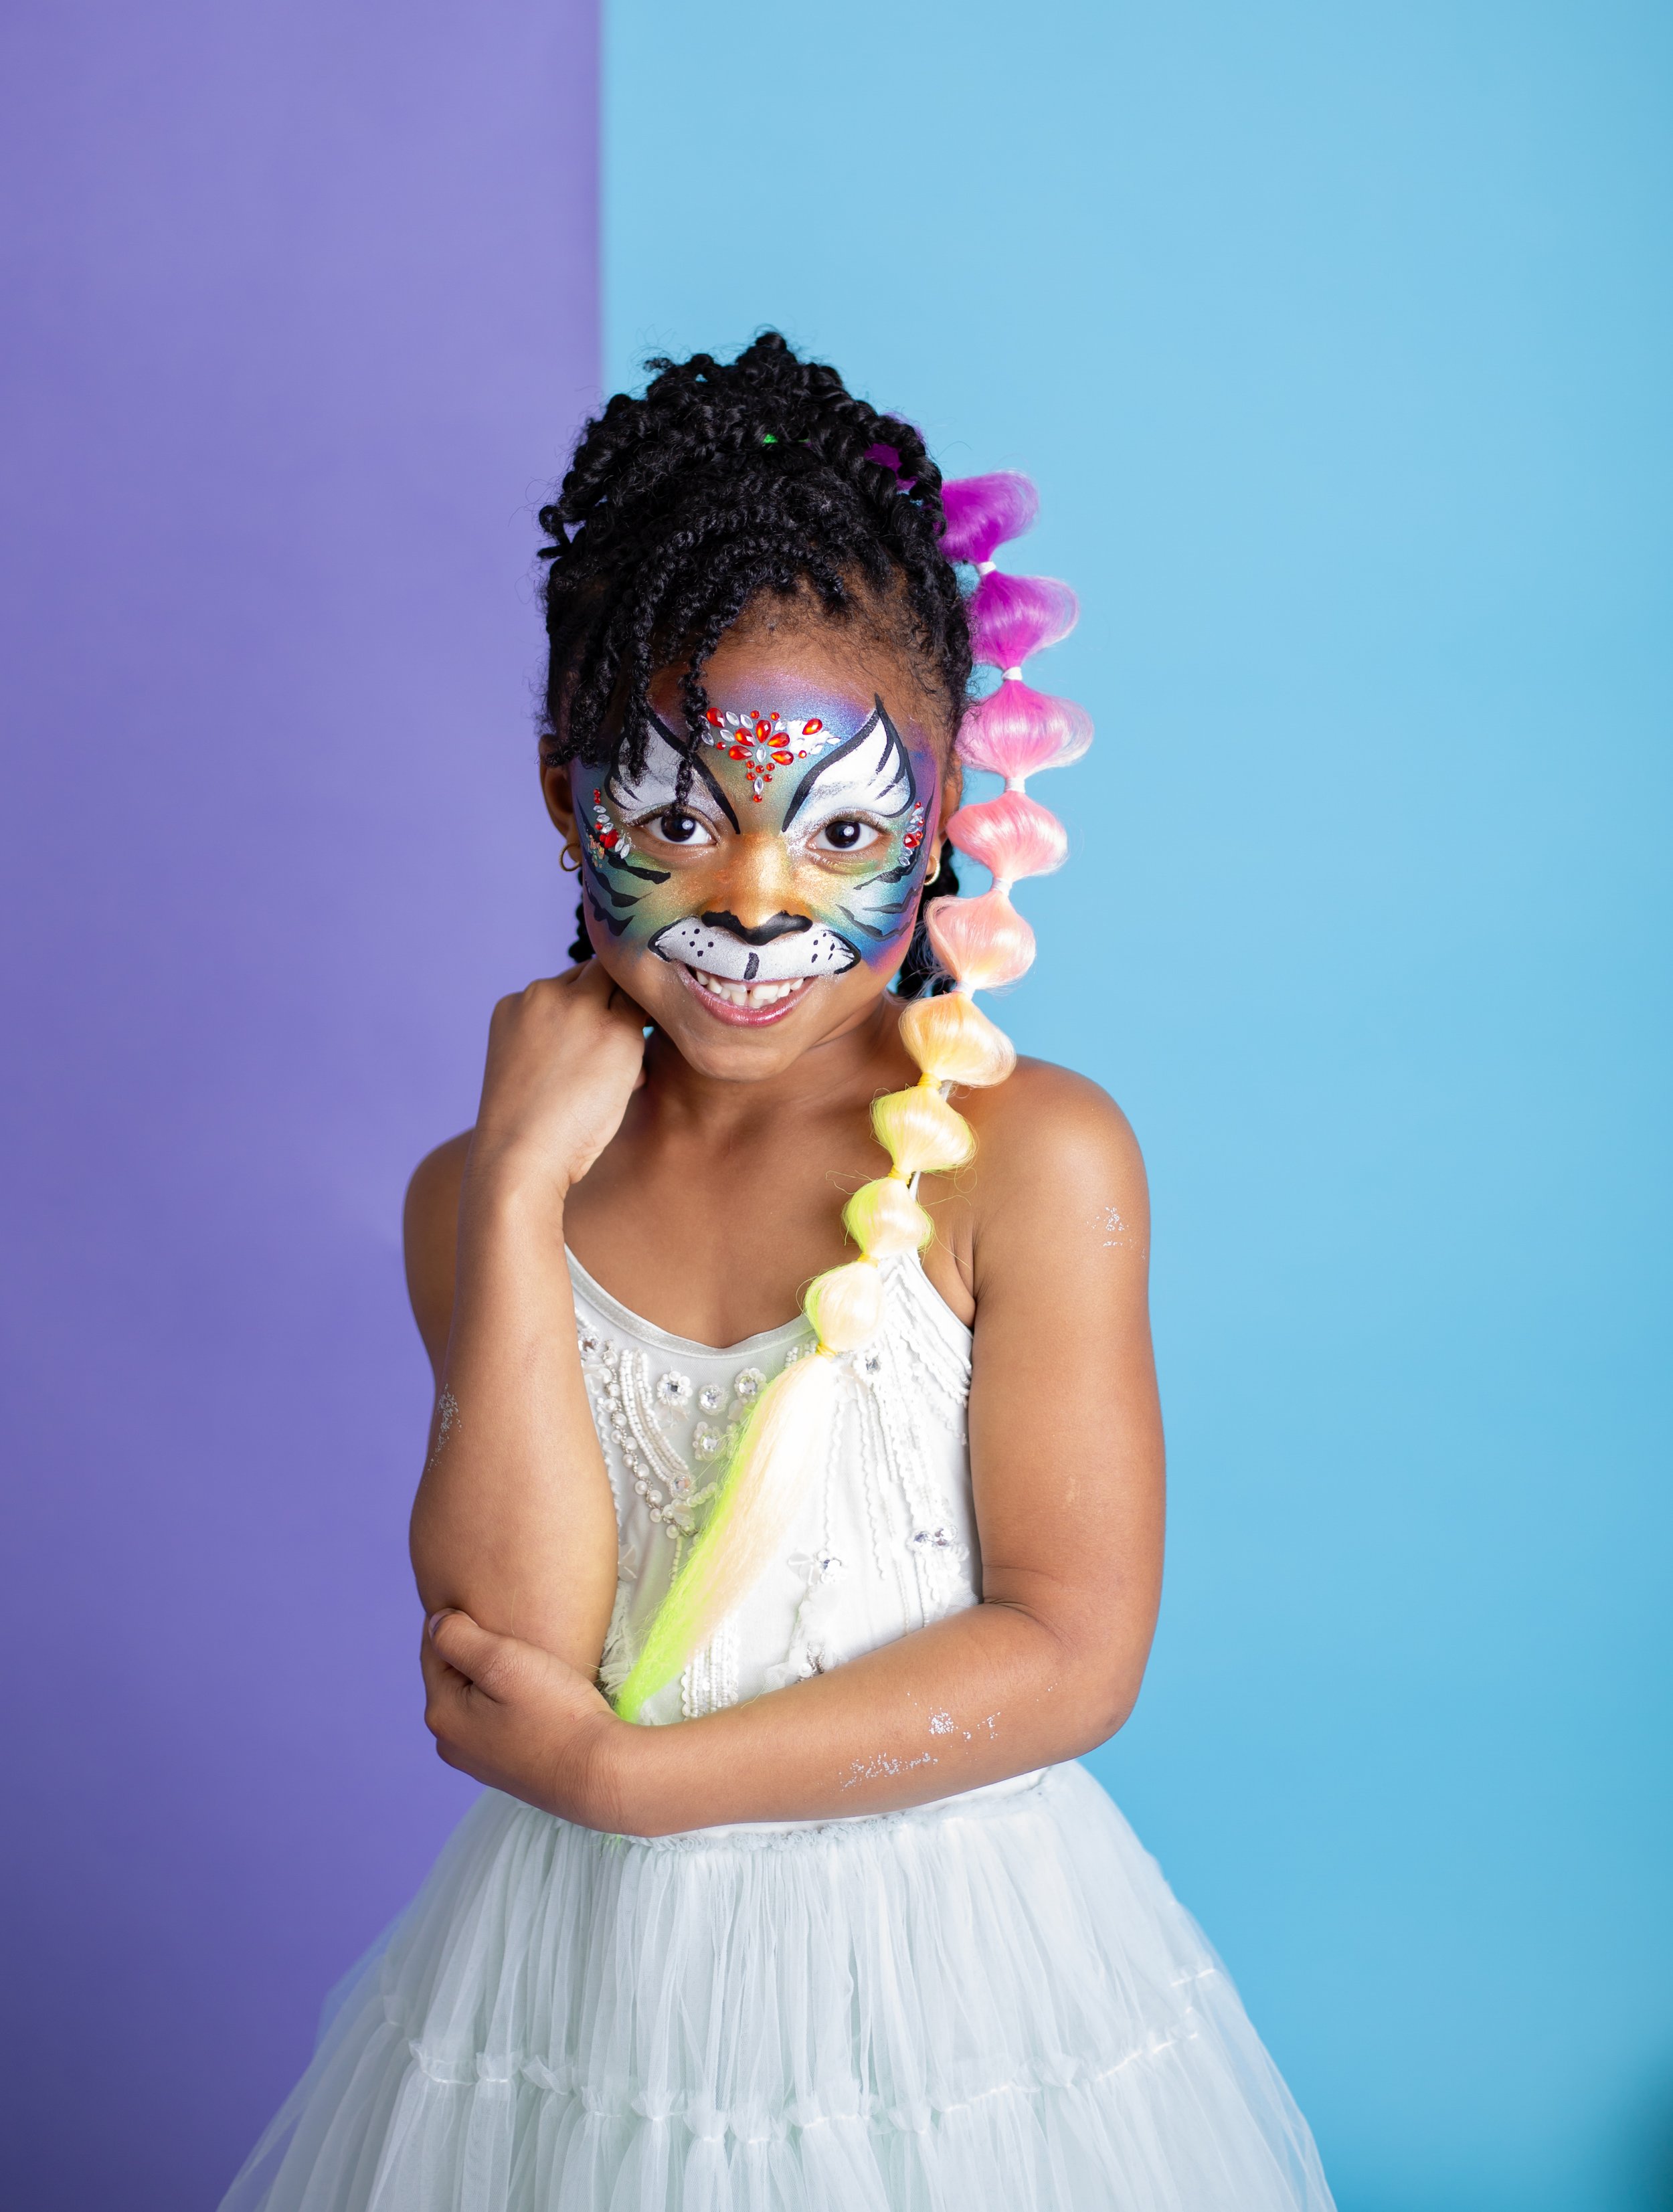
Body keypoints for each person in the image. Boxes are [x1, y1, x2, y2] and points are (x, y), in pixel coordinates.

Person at [222, 332, 1335, 2210]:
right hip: (574, 2011)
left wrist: (649, 1784)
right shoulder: (482, 1197)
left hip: (949, 1993)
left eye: (836, 830)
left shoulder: (1025, 1159)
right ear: (560, 781)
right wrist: (511, 1195)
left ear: (950, 791)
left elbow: (1071, 1644)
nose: (752, 899)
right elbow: (518, 1652)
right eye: (676, 814)